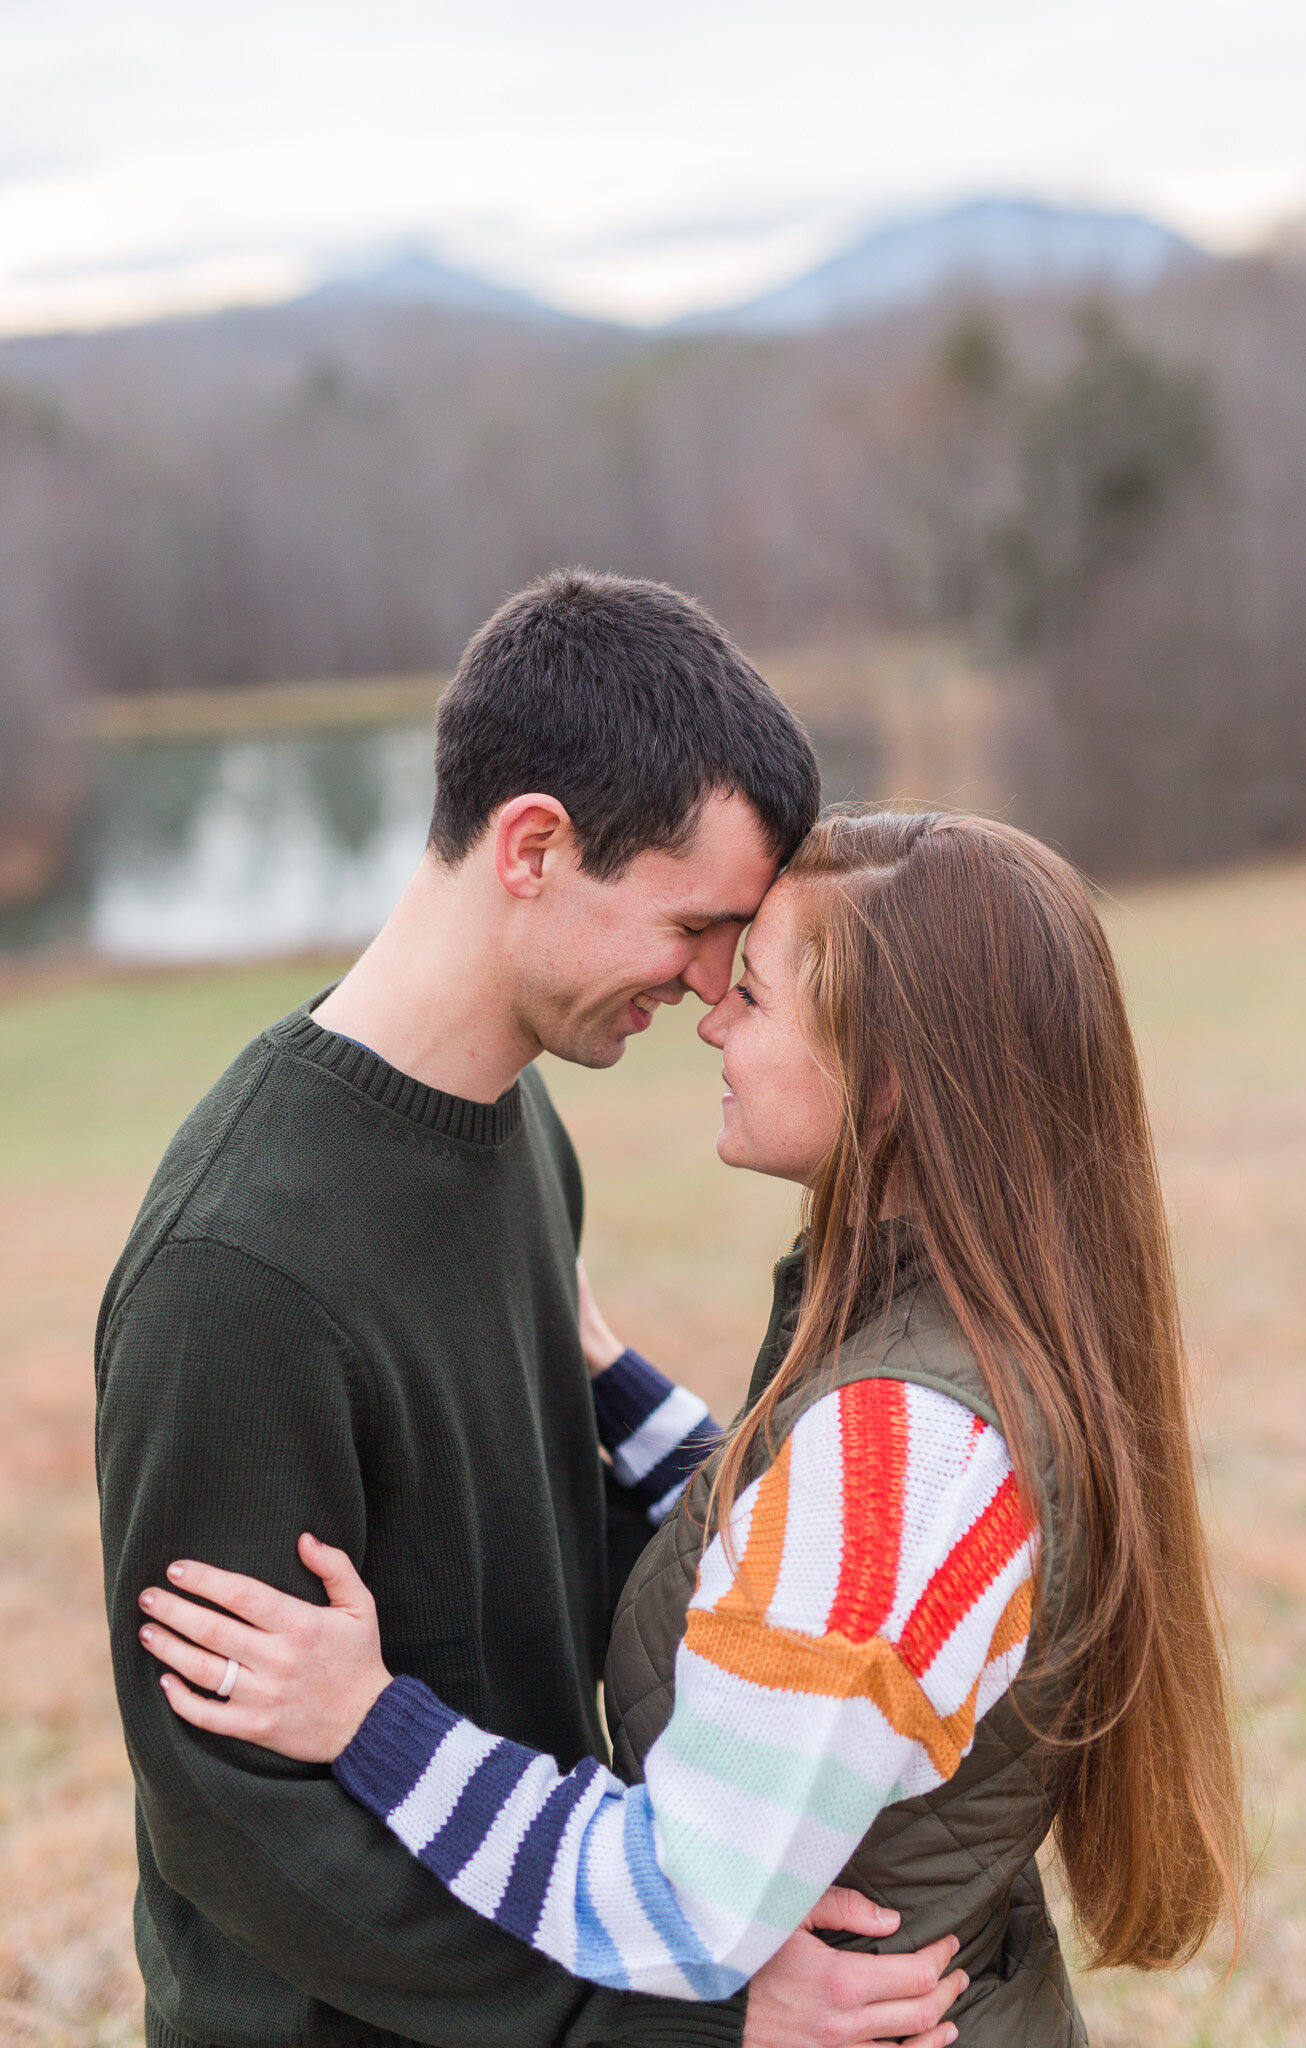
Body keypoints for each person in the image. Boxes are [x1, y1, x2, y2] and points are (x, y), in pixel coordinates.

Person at [135, 812, 1250, 2044]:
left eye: (756, 992)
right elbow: (780, 1567)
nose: (711, 1011)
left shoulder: (900, 1444)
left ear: (888, 1078)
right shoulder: (964, 1344)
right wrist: (606, 1375)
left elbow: (674, 1900)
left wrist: (369, 1719)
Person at [96, 572, 965, 2048]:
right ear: (535, 846)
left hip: (550, 1931)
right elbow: (234, 1823)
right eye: (694, 925)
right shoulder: (237, 1272)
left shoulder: (515, 1132)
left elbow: (549, 1557)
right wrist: (673, 2022)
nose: (711, 988)